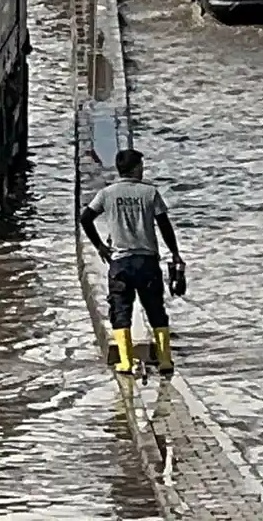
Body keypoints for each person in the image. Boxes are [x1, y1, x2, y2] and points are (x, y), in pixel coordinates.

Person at [79, 148, 183, 377]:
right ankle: (165, 360)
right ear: (135, 168)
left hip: (120, 264)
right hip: (147, 263)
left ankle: (126, 363)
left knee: (120, 311)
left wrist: (100, 246)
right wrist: (175, 253)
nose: (142, 169)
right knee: (156, 310)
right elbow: (164, 226)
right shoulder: (150, 193)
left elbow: (85, 218)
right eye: (141, 166)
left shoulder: (107, 193)